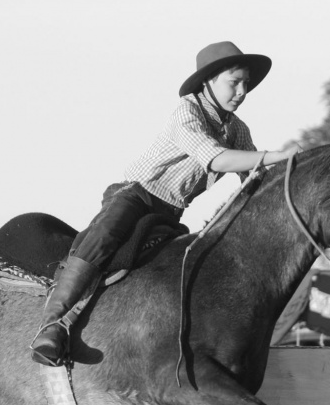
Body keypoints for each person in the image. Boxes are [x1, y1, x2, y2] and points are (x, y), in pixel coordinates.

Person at [29, 41, 301, 366]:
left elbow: (254, 180)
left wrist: (292, 179)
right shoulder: (186, 111)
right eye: (235, 82)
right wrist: (277, 156)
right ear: (208, 81)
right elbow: (216, 159)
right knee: (99, 242)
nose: (242, 91)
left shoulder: (237, 129)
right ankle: (52, 327)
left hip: (170, 212)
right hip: (134, 195)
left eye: (246, 84)